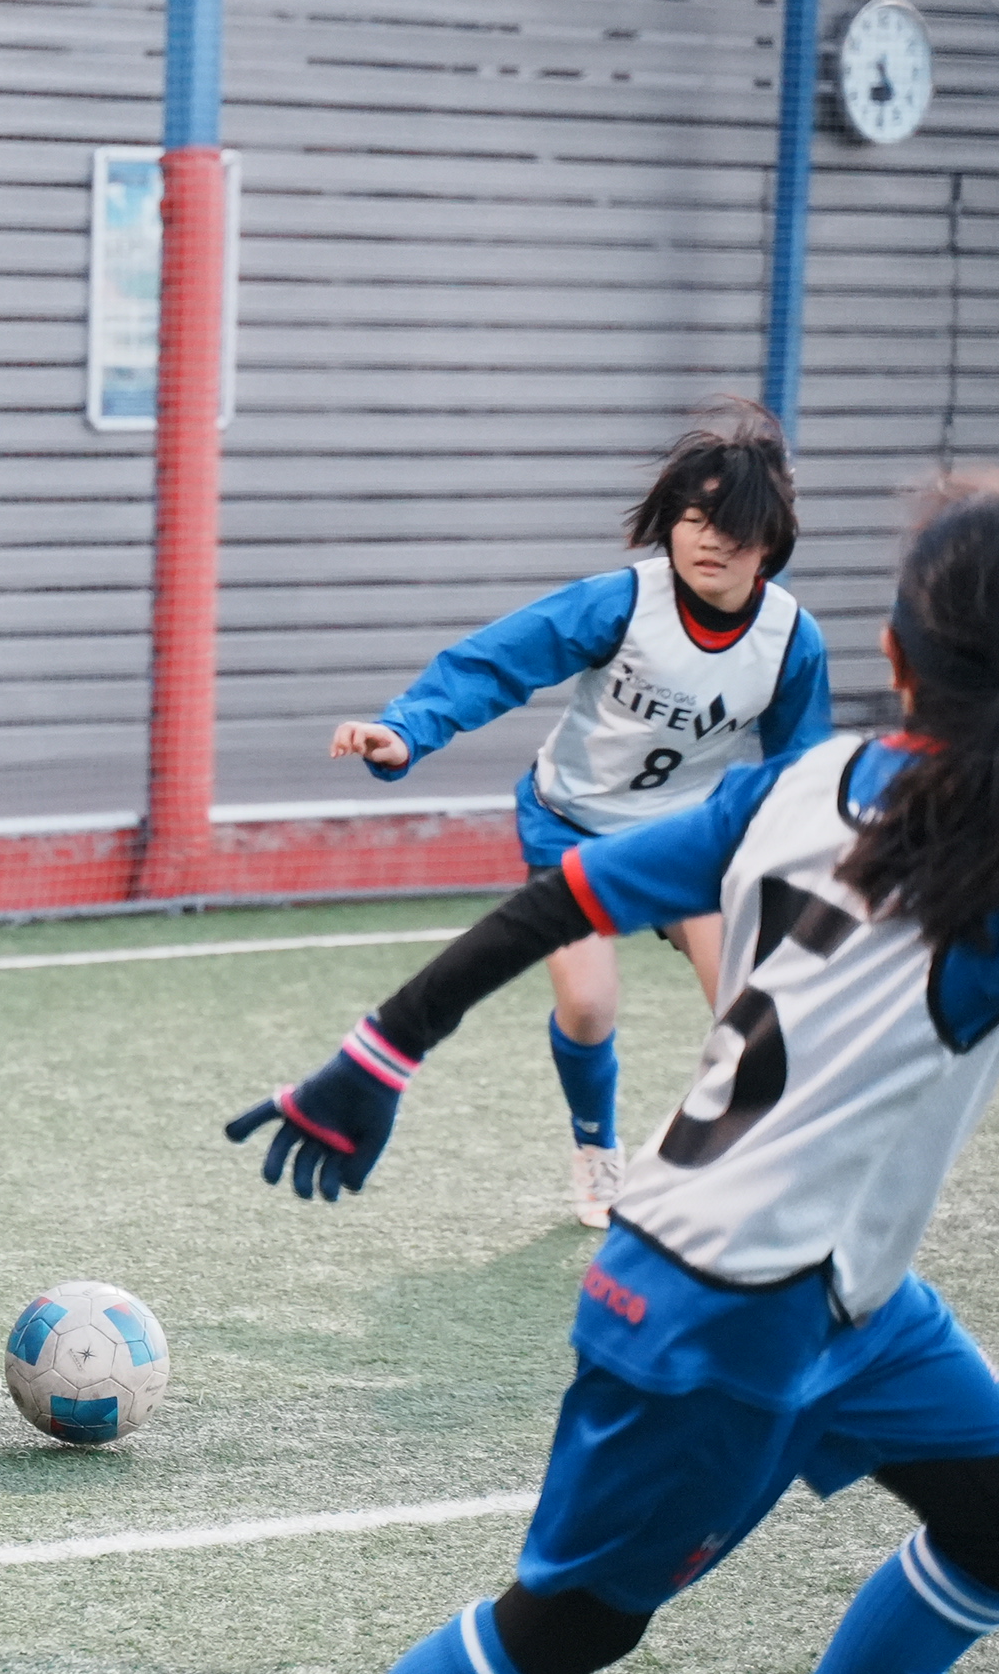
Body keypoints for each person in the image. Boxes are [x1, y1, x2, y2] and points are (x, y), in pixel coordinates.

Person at [193, 471, 999, 1674]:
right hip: (714, 1307)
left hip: (847, 1299)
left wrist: (382, 1050)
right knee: (573, 1622)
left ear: (893, 657)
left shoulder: (807, 782)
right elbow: (573, 892)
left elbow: (561, 898)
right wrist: (375, 1056)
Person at [331, 401, 830, 1225]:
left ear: (770, 543)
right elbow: (496, 663)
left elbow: (801, 773)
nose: (709, 540)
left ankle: (730, 1160)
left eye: (732, 528)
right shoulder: (622, 603)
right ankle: (597, 1150)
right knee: (590, 1002)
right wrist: (406, 730)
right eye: (694, 519)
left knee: (756, 1008)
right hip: (574, 826)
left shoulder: (790, 640)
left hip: (691, 839)